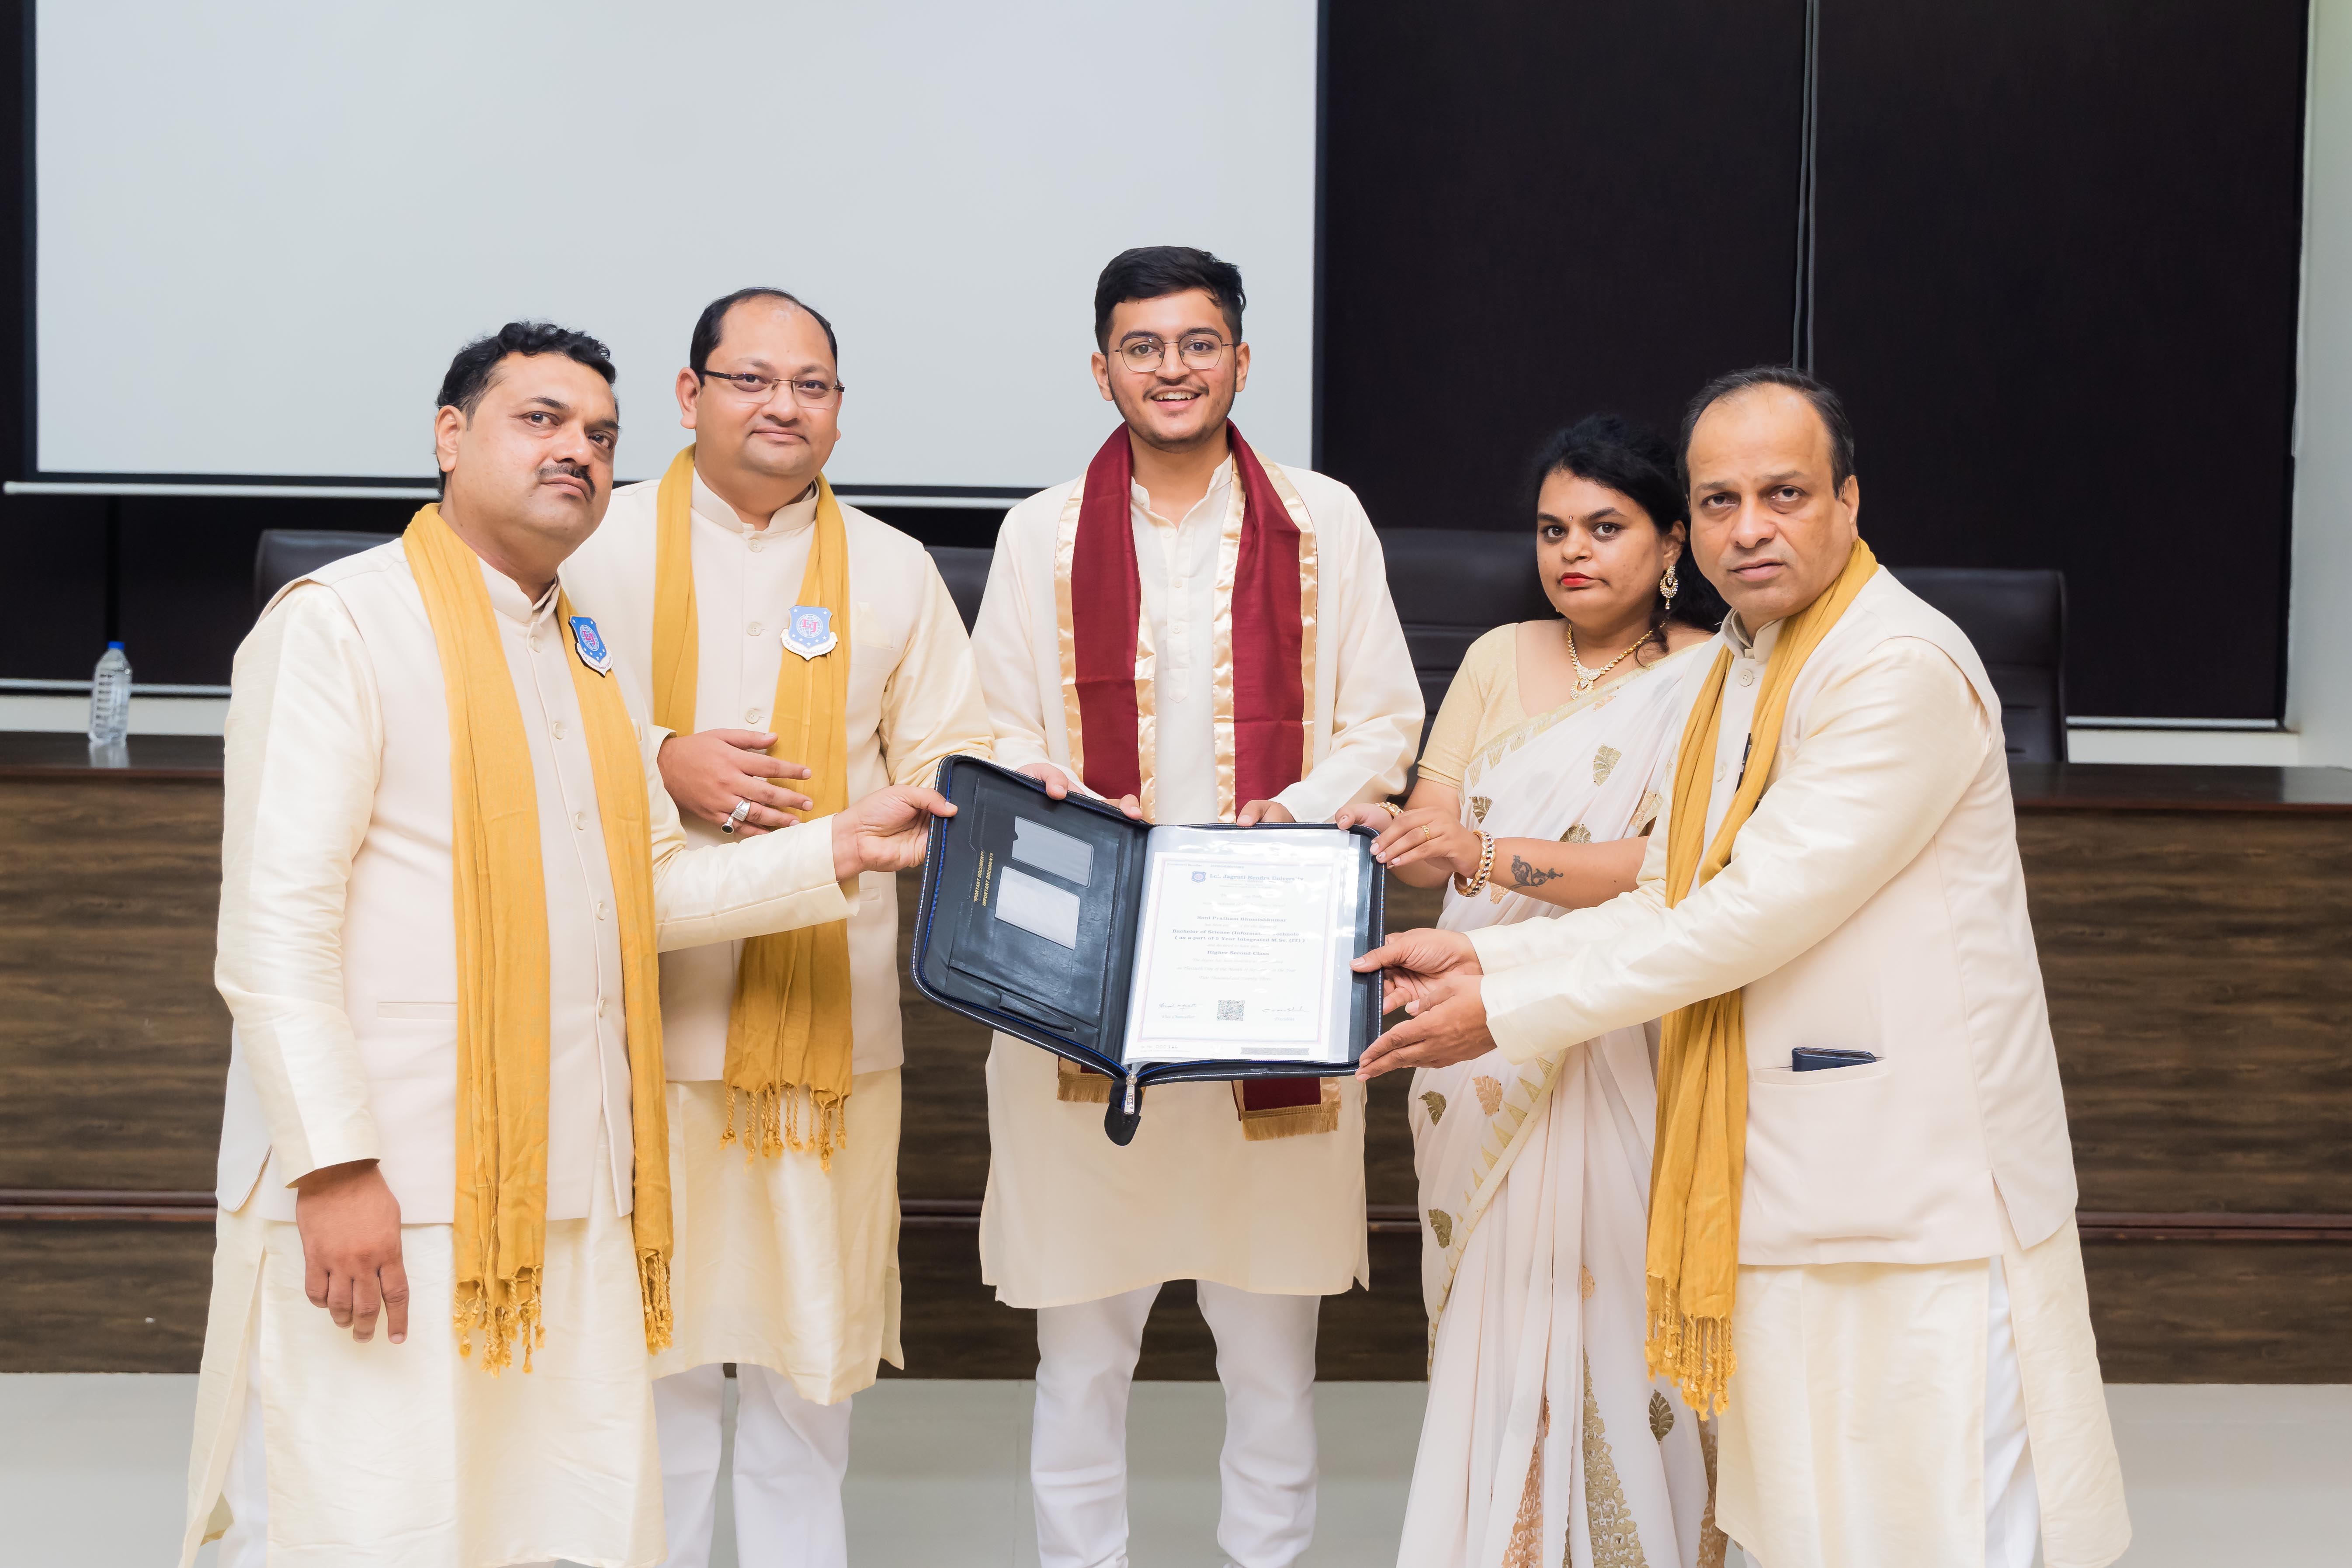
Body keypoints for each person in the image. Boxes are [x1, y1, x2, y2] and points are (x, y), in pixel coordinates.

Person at [177, 322, 955, 1568]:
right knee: (362, 1516)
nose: (578, 451)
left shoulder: (580, 652)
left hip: (568, 1182)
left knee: (544, 1522)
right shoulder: (342, 623)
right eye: (539, 419)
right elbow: (276, 928)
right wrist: (333, 1168)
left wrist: (840, 848)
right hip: (393, 1175)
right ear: (450, 437)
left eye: (599, 433)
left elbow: (644, 894)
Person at [1354, 366, 2131, 1568]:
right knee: (1808, 1527)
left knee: (1936, 1526)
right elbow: (1673, 887)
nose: (1749, 527)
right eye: (1720, 499)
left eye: (1785, 493)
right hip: (1780, 1169)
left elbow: (1749, 914)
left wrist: (1505, 1004)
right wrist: (1480, 950)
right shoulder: (1739, 663)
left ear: (1849, 500)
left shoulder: (1894, 667)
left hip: (1910, 1191)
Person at [969, 245, 1421, 1568]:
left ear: (1241, 358)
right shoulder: (1041, 531)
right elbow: (992, 725)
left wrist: (1289, 812)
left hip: (1265, 968)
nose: (1173, 369)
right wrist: (1059, 793)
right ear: (1101, 368)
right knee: (1080, 1357)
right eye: (1144, 346)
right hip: (1083, 978)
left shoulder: (1324, 520)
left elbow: (1384, 721)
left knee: (1272, 1361)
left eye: (1198, 342)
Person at [562, 287, 993, 1568]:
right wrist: (661, 755)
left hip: (823, 1036)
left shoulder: (896, 569)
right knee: (654, 1369)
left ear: (840, 413)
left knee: (811, 1374)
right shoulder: (591, 541)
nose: (782, 407)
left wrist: (978, 796)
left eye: (810, 386)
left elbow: (951, 755)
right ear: (688, 395)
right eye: (751, 380)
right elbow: (523, 726)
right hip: (632, 1025)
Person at [1332, 416, 1724, 1567]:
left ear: (1671, 544)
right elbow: (1436, 830)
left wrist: (1486, 855)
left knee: (1618, 1305)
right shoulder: (1498, 656)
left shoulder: (1716, 676)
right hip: (1475, 1030)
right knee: (1497, 1319)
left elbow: (1671, 870)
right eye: (1554, 530)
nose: (1573, 553)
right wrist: (1395, 831)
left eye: (1606, 528)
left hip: (1624, 1020)